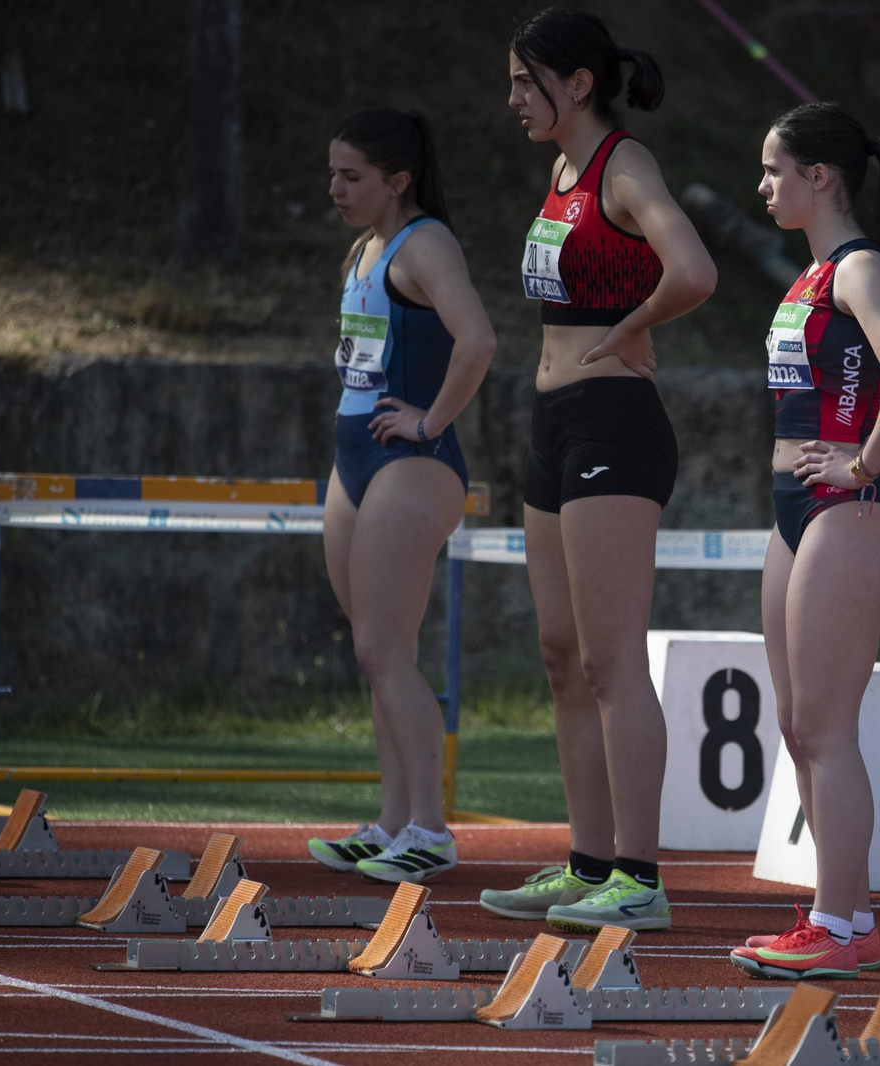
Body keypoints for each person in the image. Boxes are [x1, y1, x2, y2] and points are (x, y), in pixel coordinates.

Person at [476, 8, 715, 932]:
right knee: (562, 656)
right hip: (553, 419)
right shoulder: (561, 171)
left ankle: (639, 878)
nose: (511, 98)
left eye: (524, 82)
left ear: (578, 83)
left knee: (614, 659)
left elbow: (693, 269)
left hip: (613, 417)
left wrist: (632, 329)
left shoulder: (625, 163)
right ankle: (587, 861)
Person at [727, 102, 880, 981]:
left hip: (847, 511)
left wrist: (863, 465)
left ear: (822, 177)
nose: (763, 185)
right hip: (797, 509)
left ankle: (844, 925)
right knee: (797, 723)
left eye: (775, 170)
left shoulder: (858, 268)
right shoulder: (809, 276)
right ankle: (836, 913)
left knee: (822, 723)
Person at [307, 109, 497, 884]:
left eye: (352, 177)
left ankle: (430, 828)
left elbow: (479, 338)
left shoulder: (428, 245)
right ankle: (390, 821)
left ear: (398, 180)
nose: (336, 190)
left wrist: (431, 418)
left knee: (385, 650)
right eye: (332, 174)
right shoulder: (365, 247)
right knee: (376, 651)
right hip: (356, 457)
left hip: (411, 464)